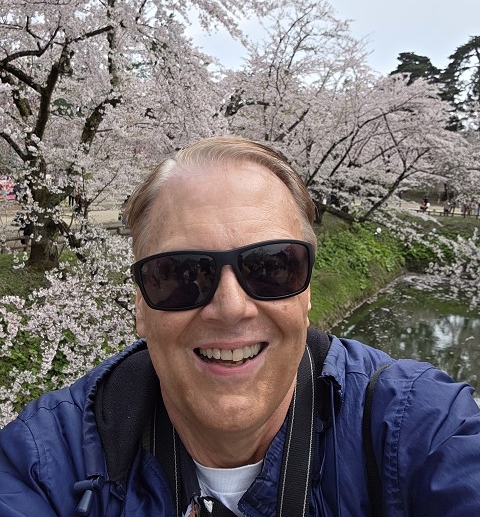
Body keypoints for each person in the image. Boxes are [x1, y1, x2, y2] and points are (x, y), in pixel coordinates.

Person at [0, 136, 479, 517]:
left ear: (306, 293)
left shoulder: (415, 427)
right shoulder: (45, 461)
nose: (231, 308)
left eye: (272, 267)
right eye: (182, 274)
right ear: (141, 306)